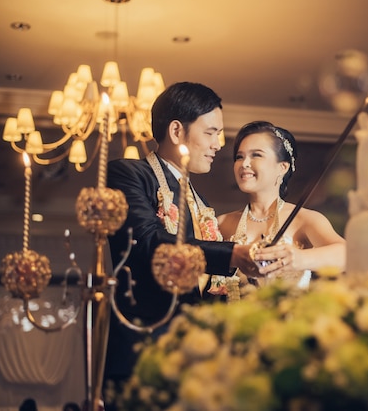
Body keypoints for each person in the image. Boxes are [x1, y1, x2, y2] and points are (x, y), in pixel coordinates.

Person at [104, 82, 269, 393]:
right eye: (210, 132)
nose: (219, 144)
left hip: (192, 359)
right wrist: (233, 255)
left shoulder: (202, 204)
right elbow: (147, 242)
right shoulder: (130, 174)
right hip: (144, 345)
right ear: (177, 131)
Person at [218, 120, 346, 287]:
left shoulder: (304, 219)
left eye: (256, 155)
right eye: (239, 157)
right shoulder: (222, 223)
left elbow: (346, 255)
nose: (244, 164)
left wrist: (298, 259)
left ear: (283, 167)